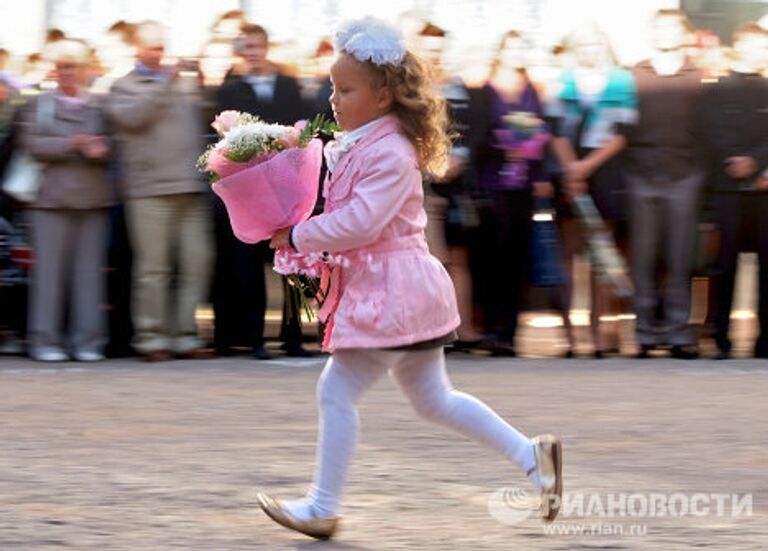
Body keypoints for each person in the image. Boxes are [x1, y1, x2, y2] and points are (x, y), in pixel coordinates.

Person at [256, 17, 563, 540]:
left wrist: (299, 235)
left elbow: (361, 223)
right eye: (332, 86)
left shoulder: (391, 150)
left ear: (382, 97)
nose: (333, 98)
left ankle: (322, 507)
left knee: (337, 391)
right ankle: (533, 456)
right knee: (433, 398)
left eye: (344, 89)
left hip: (392, 289)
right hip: (397, 288)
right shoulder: (366, 140)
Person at [106, 21, 213, 362]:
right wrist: (166, 83)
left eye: (161, 46)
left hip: (189, 187)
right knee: (154, 269)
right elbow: (134, 118)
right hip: (148, 190)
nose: (158, 53)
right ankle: (151, 338)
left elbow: (201, 121)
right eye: (151, 46)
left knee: (198, 261)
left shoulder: (181, 84)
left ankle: (184, 335)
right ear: (136, 49)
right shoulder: (122, 87)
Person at [213, 24, 312, 359]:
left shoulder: (287, 84)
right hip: (252, 187)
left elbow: (302, 128)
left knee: (291, 261)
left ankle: (294, 336)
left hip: (286, 185)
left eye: (257, 46)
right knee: (251, 263)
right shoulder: (231, 88)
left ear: (266, 47)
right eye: (247, 47)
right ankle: (255, 337)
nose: (253, 52)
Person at [548, 24, 638, 358]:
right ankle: (572, 335)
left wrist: (586, 168)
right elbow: (554, 130)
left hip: (606, 174)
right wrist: (572, 168)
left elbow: (623, 132)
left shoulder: (621, 80)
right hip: (567, 172)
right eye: (584, 42)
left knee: (602, 258)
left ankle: (601, 335)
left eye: (596, 42)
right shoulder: (562, 81)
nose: (590, 48)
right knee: (569, 260)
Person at [21, 39, 113, 361]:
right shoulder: (39, 104)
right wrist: (72, 143)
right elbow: (32, 143)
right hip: (50, 200)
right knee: (48, 275)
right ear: (54, 70)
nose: (67, 73)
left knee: (89, 276)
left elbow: (116, 145)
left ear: (85, 69)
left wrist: (103, 150)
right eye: (62, 67)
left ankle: (88, 343)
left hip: (93, 199)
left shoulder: (100, 105)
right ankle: (45, 341)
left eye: (73, 66)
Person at [624, 9, 705, 359]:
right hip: (641, 173)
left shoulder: (697, 77)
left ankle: (678, 333)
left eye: (671, 27)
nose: (664, 33)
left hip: (685, 175)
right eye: (659, 27)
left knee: (680, 258)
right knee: (642, 258)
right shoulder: (634, 75)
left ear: (684, 34)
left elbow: (708, 130)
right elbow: (619, 126)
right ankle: (643, 333)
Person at [473, 30, 553, 357]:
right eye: (512, 47)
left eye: (523, 47)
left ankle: (510, 333)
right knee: (491, 258)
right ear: (501, 51)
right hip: (492, 184)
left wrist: (538, 169)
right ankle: (491, 328)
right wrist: (502, 142)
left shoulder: (531, 90)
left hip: (522, 186)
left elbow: (541, 130)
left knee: (517, 259)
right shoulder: (486, 90)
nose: (517, 53)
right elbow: (478, 135)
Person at [700, 23, 768, 360]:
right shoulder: (716, 89)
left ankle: (763, 342)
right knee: (723, 267)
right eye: (754, 46)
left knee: (766, 268)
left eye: (764, 47)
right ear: (738, 47)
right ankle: (720, 340)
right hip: (726, 191)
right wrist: (737, 163)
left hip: (764, 192)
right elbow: (710, 133)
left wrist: (757, 164)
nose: (760, 53)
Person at [416, 22, 484, 349]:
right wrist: (432, 164)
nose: (434, 54)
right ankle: (433, 330)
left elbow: (468, 130)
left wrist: (460, 159)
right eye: (428, 48)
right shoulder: (410, 86)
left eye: (438, 48)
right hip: (423, 185)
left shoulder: (457, 86)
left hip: (458, 185)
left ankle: (464, 328)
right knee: (432, 259)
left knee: (459, 258)